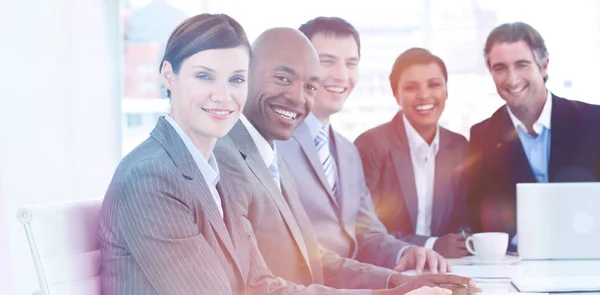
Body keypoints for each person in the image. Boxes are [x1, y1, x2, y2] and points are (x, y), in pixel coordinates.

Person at [214, 27, 479, 294]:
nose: (297, 95)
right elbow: (256, 283)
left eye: (310, 85)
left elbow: (314, 255)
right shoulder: (235, 151)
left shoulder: (304, 152)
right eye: (283, 78)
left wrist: (399, 280)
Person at [466, 22, 600, 251]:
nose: (511, 79)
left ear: (544, 66)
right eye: (500, 68)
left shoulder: (593, 122)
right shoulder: (483, 136)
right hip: (517, 263)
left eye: (522, 65)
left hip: (590, 255)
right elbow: (481, 218)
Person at [354, 47, 471, 259]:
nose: (424, 95)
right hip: (389, 266)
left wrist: (463, 237)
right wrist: (431, 245)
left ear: (446, 90)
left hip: (448, 266)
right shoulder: (371, 145)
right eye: (411, 87)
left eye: (434, 85)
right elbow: (365, 228)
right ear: (396, 95)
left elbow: (465, 215)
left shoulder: (459, 146)